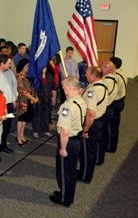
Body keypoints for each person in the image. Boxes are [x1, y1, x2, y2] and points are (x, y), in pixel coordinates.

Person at [49, 77, 86, 207]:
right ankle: (66, 194)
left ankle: (64, 199)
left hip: (68, 142)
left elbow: (64, 131)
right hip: (76, 140)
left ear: (70, 87)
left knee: (64, 172)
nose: (62, 88)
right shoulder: (81, 100)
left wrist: (63, 148)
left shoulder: (68, 106)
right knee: (70, 171)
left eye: (64, 86)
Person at [78, 66, 108, 183]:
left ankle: (85, 175)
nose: (85, 75)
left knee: (86, 151)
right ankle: (84, 171)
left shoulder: (92, 91)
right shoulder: (101, 85)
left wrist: (85, 130)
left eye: (87, 73)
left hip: (91, 124)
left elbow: (90, 113)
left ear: (93, 75)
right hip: (99, 121)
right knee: (91, 149)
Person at [97, 61, 118, 165]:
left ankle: (98, 158)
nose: (99, 69)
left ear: (105, 69)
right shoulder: (113, 78)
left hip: (104, 110)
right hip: (110, 108)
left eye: (100, 67)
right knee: (103, 134)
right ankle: (100, 156)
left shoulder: (105, 82)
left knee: (100, 136)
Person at [15, 59, 38, 146]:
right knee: (21, 120)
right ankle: (18, 137)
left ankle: (22, 136)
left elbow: (31, 88)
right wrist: (34, 99)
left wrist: (34, 97)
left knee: (25, 120)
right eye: (27, 66)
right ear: (22, 67)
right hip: (22, 102)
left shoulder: (27, 76)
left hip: (28, 101)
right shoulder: (18, 77)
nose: (28, 68)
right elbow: (24, 91)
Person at [32, 67, 57, 138]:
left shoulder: (49, 76)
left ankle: (46, 130)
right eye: (42, 67)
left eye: (45, 67)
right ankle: (35, 131)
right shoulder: (35, 76)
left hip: (47, 99)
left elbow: (54, 87)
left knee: (46, 115)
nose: (43, 68)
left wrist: (54, 98)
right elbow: (32, 89)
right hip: (38, 100)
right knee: (37, 116)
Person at [109, 57, 127, 152]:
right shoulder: (123, 73)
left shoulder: (115, 77)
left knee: (112, 126)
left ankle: (111, 146)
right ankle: (113, 145)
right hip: (121, 101)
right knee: (115, 124)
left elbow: (112, 93)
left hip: (115, 103)